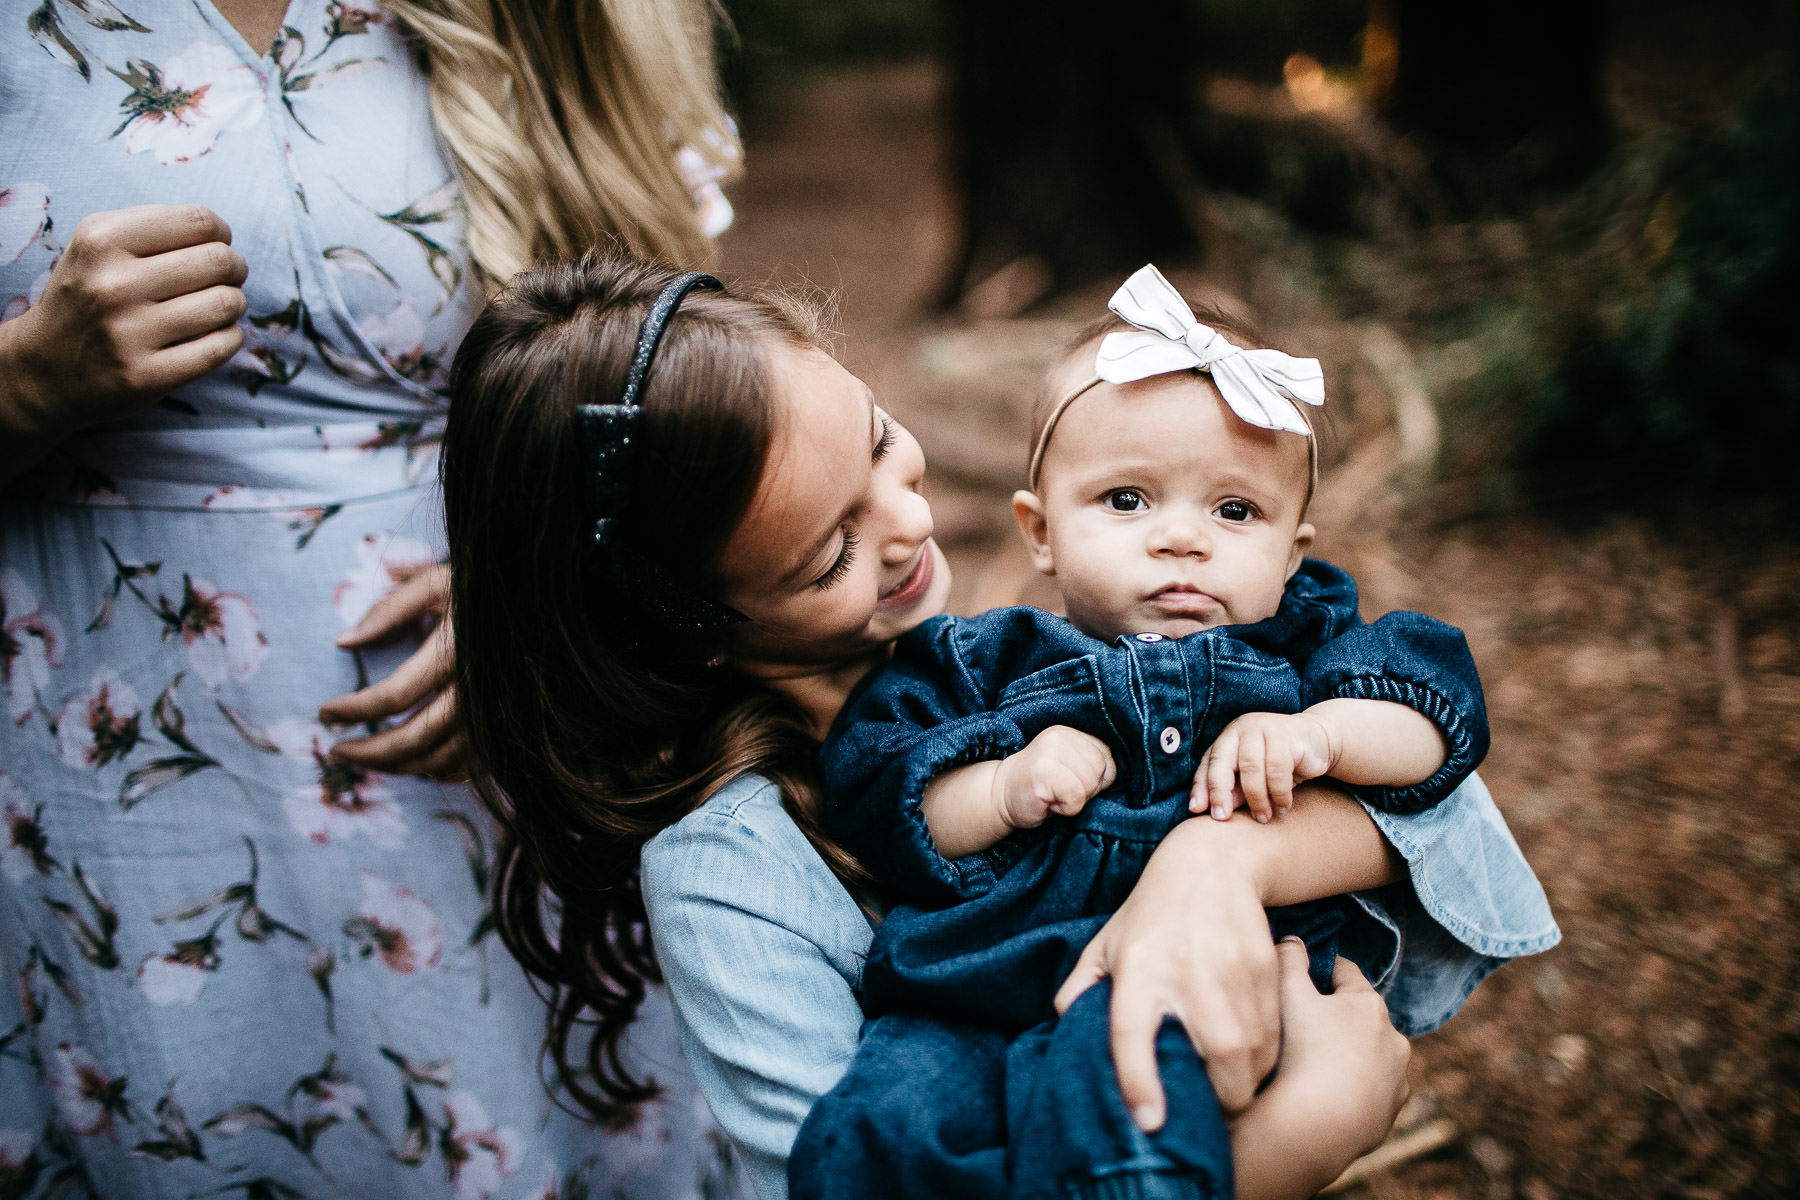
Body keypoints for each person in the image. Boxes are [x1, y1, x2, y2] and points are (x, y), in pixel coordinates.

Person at [439, 254, 1560, 1200]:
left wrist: (1216, 863)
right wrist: (1287, 1148)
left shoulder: (1037, 647)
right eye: (831, 552)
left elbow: (1444, 802)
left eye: (881, 444)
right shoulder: (734, 871)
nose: (913, 520)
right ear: (692, 632)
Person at [0, 2, 746, 1196]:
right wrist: (26, 384)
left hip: (510, 786)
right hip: (114, 821)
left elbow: (678, 397)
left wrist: (548, 595)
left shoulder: (522, 22)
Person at [790, 265, 1509, 1200]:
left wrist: (1324, 736)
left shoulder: (1308, 645)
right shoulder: (980, 663)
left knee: (1131, 1089)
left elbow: (1435, 726)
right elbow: (882, 794)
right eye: (1127, 499)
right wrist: (1001, 789)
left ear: (1294, 553)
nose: (1182, 539)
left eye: (1235, 510)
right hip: (964, 995)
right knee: (875, 1132)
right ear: (1040, 533)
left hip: (1199, 974)